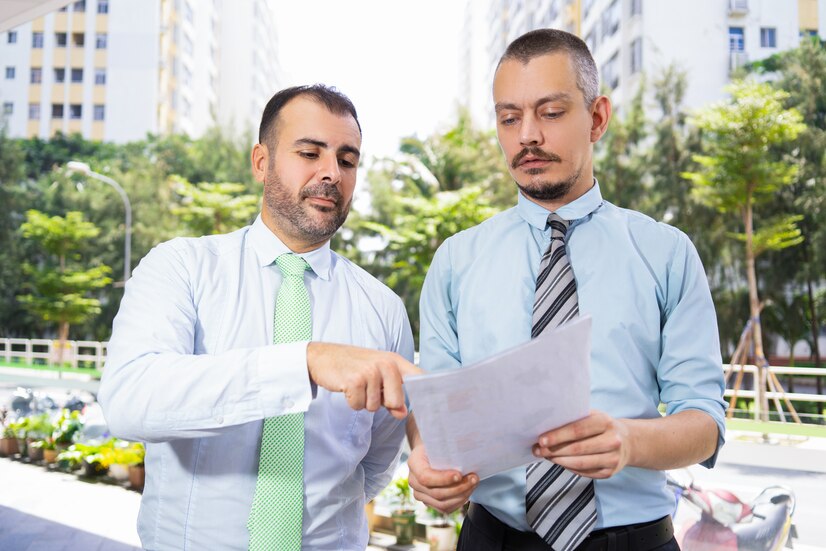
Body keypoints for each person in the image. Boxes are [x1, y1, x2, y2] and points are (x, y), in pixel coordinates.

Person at [407, 29, 727, 551]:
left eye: (550, 112)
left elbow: (705, 421)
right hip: (494, 537)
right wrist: (426, 463)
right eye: (509, 118)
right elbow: (434, 411)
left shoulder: (666, 252)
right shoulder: (455, 262)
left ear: (597, 118)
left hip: (632, 539)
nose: (527, 135)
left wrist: (629, 441)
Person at [99, 84, 419, 550]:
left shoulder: (384, 309)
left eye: (347, 161)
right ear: (261, 162)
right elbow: (131, 399)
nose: (331, 173)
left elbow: (375, 463)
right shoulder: (181, 267)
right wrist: (304, 363)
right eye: (310, 152)